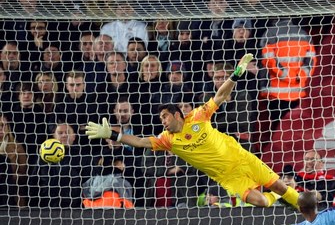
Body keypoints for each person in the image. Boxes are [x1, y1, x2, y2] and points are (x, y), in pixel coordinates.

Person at [86, 54, 300, 208]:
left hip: (242, 157)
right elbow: (141, 142)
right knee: (262, 201)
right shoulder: (167, 139)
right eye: (160, 118)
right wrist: (113, 135)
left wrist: (235, 75)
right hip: (228, 177)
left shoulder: (198, 115)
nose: (162, 121)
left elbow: (219, 96)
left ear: (177, 114)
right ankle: (282, 200)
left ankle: (302, 206)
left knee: (281, 187)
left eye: (164, 116)